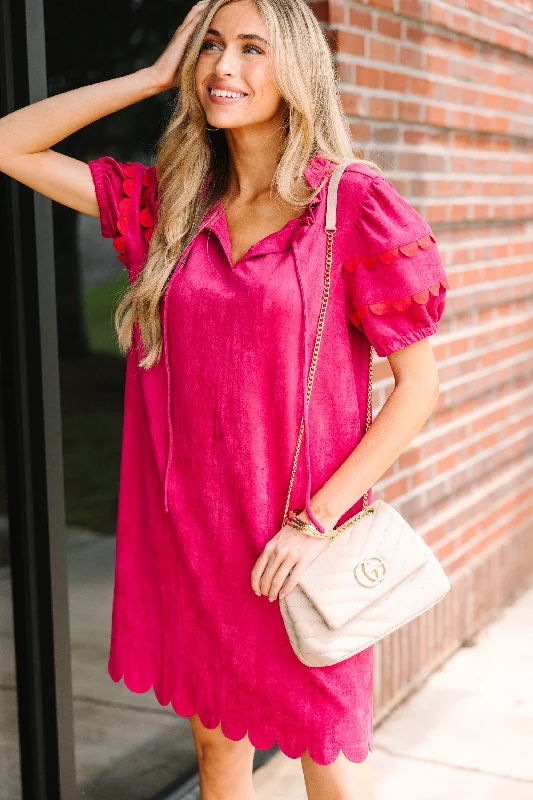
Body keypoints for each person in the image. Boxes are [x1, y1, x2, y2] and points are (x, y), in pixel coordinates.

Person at [0, 0, 449, 797]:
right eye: (210, 47)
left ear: (296, 70)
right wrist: (146, 77)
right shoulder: (167, 207)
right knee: (217, 760)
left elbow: (417, 391)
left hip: (298, 545)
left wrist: (317, 523)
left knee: (333, 777)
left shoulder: (349, 208)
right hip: (198, 541)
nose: (222, 68)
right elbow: (9, 143)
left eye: (251, 48)